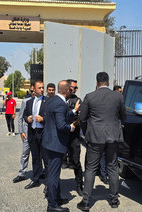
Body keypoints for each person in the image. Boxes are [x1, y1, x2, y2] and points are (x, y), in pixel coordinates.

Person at [77, 72, 126, 211]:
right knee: (112, 167)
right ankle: (114, 201)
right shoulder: (118, 96)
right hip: (112, 137)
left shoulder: (90, 96)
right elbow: (124, 116)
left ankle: (86, 202)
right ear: (108, 82)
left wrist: (88, 132)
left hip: (95, 138)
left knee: (91, 168)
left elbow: (82, 118)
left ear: (97, 82)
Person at [42, 81, 79, 212]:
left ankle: (56, 199)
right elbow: (61, 125)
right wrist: (71, 127)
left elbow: (60, 115)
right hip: (55, 144)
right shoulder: (60, 104)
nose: (73, 91)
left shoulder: (53, 100)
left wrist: (73, 111)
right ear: (67, 90)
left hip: (49, 142)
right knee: (53, 176)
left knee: (54, 174)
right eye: (72, 89)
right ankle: (52, 205)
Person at [23, 80, 48, 189]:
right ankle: (36, 179)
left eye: (43, 87)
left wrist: (43, 119)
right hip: (32, 133)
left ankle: (49, 183)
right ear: (34, 89)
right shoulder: (29, 102)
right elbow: (24, 115)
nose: (42, 90)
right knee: (35, 157)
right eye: (40, 88)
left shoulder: (48, 102)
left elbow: (52, 118)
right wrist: (27, 118)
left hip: (43, 134)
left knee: (46, 159)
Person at [63, 79, 84, 196]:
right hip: (62, 136)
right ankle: (52, 186)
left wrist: (74, 124)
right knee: (57, 162)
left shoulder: (78, 100)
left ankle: (79, 184)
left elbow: (81, 116)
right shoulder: (61, 99)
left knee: (76, 161)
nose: (75, 90)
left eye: (76, 88)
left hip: (74, 135)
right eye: (73, 87)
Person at [13, 86, 35, 183]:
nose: (33, 92)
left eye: (35, 90)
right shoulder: (26, 101)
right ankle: (22, 173)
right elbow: (20, 117)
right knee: (25, 153)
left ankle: (39, 172)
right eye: (32, 91)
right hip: (27, 132)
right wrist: (21, 131)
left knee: (38, 154)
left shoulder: (42, 100)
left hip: (38, 132)